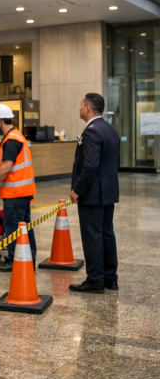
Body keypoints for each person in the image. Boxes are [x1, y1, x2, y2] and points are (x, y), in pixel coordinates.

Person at [69, 93, 120, 294]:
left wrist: (77, 190)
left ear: (88, 108)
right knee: (106, 233)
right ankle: (110, 278)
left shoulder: (91, 132)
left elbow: (89, 166)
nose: (80, 108)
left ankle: (95, 279)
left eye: (82, 105)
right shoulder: (111, 130)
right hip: (108, 192)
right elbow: (116, 163)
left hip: (92, 194)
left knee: (92, 236)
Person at [0, 104, 36, 272]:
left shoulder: (10, 140)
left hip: (15, 193)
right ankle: (28, 259)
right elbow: (5, 165)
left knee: (12, 227)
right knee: (25, 227)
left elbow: (7, 168)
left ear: (0, 121)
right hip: (24, 192)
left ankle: (13, 260)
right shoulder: (16, 136)